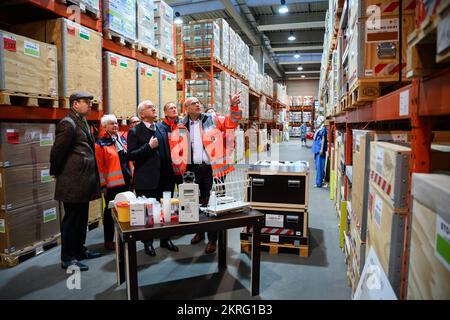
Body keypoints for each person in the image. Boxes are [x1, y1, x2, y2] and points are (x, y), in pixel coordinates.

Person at [182, 94, 242, 254]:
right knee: (195, 202)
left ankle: (213, 240)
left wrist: (234, 106)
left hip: (212, 170)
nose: (197, 105)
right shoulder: (181, 124)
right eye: (193, 103)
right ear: (186, 108)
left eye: (198, 102)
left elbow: (232, 123)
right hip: (192, 170)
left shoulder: (212, 119)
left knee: (213, 203)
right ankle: (200, 231)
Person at [50, 91, 102, 271]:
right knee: (72, 221)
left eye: (90, 101)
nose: (90, 105)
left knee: (81, 220)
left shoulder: (82, 121)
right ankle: (68, 257)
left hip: (82, 181)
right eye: (86, 102)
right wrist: (55, 172)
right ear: (75, 104)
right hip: (72, 182)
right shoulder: (68, 123)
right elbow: (57, 152)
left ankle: (79, 251)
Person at [127, 100, 178, 256]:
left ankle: (165, 239)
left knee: (166, 210)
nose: (154, 109)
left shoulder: (162, 128)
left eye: (154, 107)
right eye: (150, 108)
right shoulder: (135, 131)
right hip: (147, 180)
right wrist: (148, 147)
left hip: (166, 179)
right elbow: (131, 155)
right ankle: (148, 243)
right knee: (148, 214)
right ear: (142, 114)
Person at [95, 114, 133, 251]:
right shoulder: (100, 144)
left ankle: (123, 237)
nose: (115, 126)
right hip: (112, 186)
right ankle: (108, 240)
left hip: (126, 182)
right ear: (104, 127)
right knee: (110, 213)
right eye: (112, 124)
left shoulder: (120, 140)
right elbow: (99, 168)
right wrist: (103, 185)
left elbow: (127, 160)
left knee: (125, 211)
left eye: (116, 123)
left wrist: (132, 176)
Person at [312, 115, 328, 188]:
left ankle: (319, 183)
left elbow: (323, 139)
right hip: (317, 150)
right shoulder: (319, 128)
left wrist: (321, 149)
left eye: (318, 120)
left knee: (319, 167)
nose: (317, 121)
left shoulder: (323, 129)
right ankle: (321, 180)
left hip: (319, 150)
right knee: (318, 166)